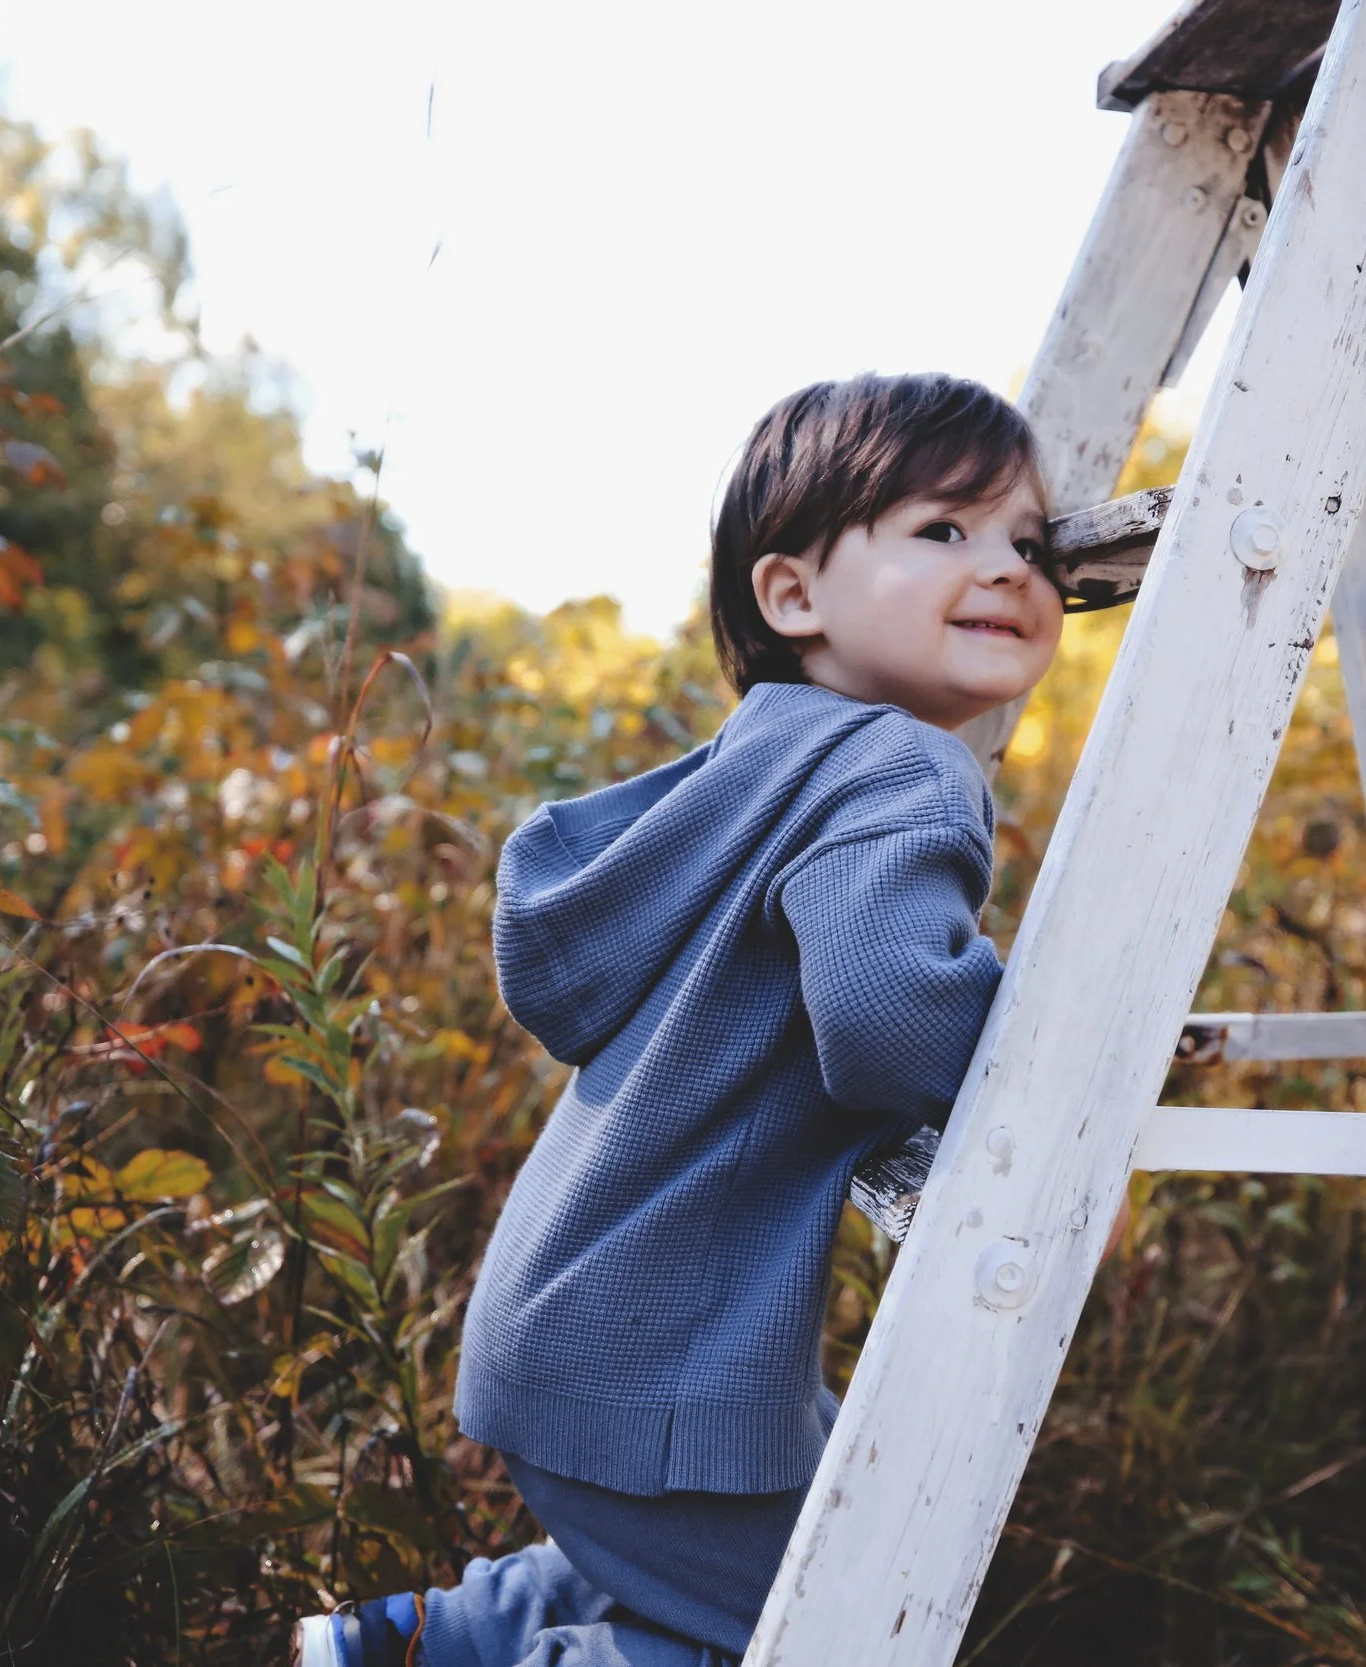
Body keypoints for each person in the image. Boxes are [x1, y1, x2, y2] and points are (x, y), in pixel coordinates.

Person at [294, 372, 1065, 1667]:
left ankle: (435, 1637)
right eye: (945, 530)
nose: (1007, 570)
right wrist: (1043, 1030)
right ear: (792, 595)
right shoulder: (904, 765)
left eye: (1029, 543)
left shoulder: (753, 761)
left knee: (771, 1561)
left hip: (583, 1319)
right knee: (822, 1627)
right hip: (667, 1361)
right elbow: (882, 1016)